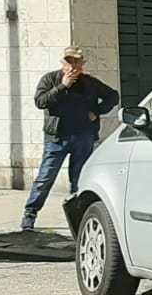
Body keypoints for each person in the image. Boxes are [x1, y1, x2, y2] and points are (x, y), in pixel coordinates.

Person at [22, 47, 118, 232]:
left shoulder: (89, 83)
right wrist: (62, 86)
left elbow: (113, 96)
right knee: (45, 179)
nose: (72, 65)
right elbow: (40, 102)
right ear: (63, 63)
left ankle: (79, 220)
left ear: (82, 64)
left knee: (79, 180)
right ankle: (30, 215)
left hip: (83, 137)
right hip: (57, 138)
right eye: (68, 61)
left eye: (76, 61)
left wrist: (96, 112)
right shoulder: (51, 79)